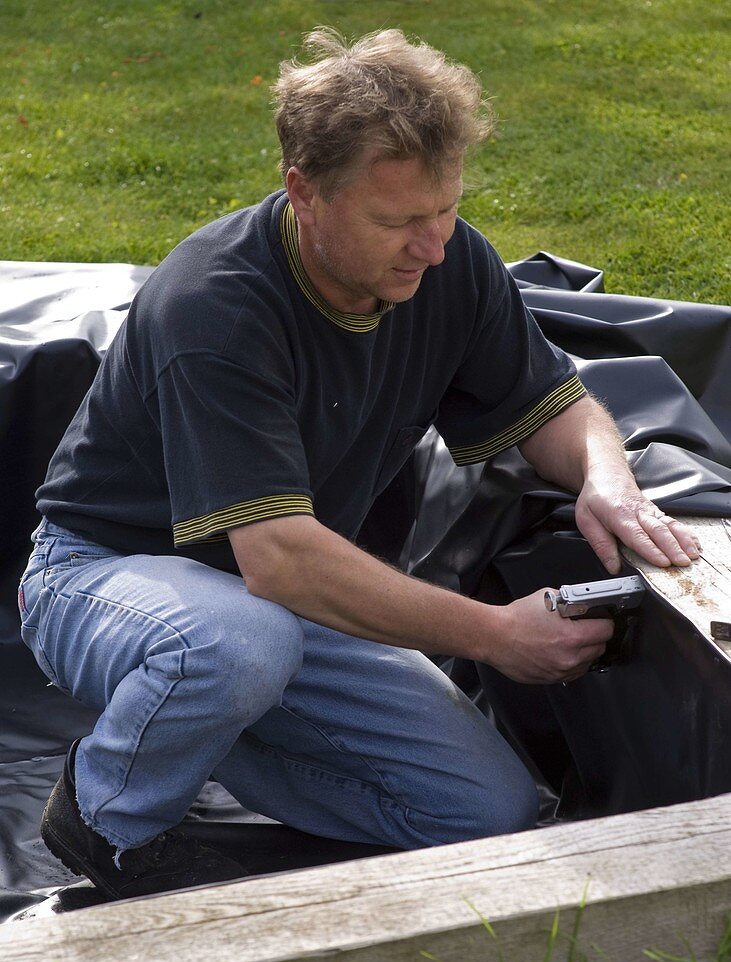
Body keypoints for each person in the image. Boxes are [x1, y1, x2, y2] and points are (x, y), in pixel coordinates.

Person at [18, 28, 700, 901]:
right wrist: (495, 635)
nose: (432, 246)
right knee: (234, 644)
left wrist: (607, 479)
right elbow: (283, 560)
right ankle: (107, 815)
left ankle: (212, 722)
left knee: (482, 811)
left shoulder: (450, 268)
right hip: (101, 578)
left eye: (444, 209)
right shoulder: (216, 309)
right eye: (395, 222)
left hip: (273, 611)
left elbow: (557, 405)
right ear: (303, 191)